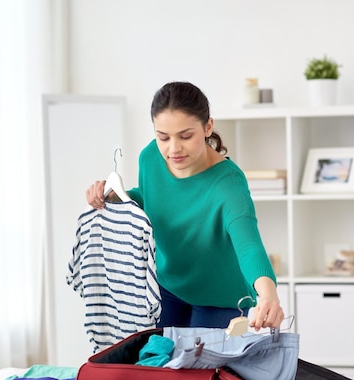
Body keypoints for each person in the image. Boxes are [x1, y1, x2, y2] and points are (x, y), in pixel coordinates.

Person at [86, 81, 284, 331]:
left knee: (201, 369)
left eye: (186, 136)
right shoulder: (150, 158)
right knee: (156, 362)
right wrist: (117, 196)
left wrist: (268, 295)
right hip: (167, 286)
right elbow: (151, 197)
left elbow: (249, 246)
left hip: (219, 297)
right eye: (163, 137)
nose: (173, 148)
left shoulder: (228, 184)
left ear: (208, 127)